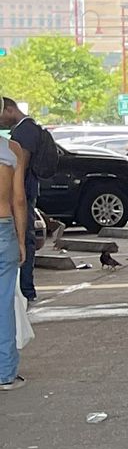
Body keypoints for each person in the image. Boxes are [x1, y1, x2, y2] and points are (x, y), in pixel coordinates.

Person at [0, 96, 54, 298]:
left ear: (10, 109)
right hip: (12, 207)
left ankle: (26, 288)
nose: (1, 121)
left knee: (28, 243)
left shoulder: (25, 132)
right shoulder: (19, 136)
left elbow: (19, 188)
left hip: (22, 192)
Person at [0, 119, 25, 386]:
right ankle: (5, 372)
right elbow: (18, 199)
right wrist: (21, 240)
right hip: (3, 226)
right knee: (3, 301)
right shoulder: (12, 149)